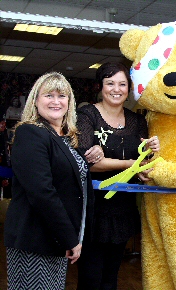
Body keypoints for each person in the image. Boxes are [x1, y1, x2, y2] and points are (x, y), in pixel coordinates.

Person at [4, 72, 102, 290]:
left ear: (70, 102)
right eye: (49, 95)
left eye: (62, 96)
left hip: (55, 240)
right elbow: (42, 192)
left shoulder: (63, 138)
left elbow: (67, 180)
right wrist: (70, 238)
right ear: (35, 101)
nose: (56, 101)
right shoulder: (30, 133)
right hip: (35, 240)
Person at [76, 62, 160, 290]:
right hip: (92, 209)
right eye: (110, 83)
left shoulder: (137, 121)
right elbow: (85, 163)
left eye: (122, 84)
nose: (117, 89)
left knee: (111, 277)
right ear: (100, 86)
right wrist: (130, 164)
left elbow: (145, 162)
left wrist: (151, 155)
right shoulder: (87, 116)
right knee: (90, 277)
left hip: (122, 208)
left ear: (129, 88)